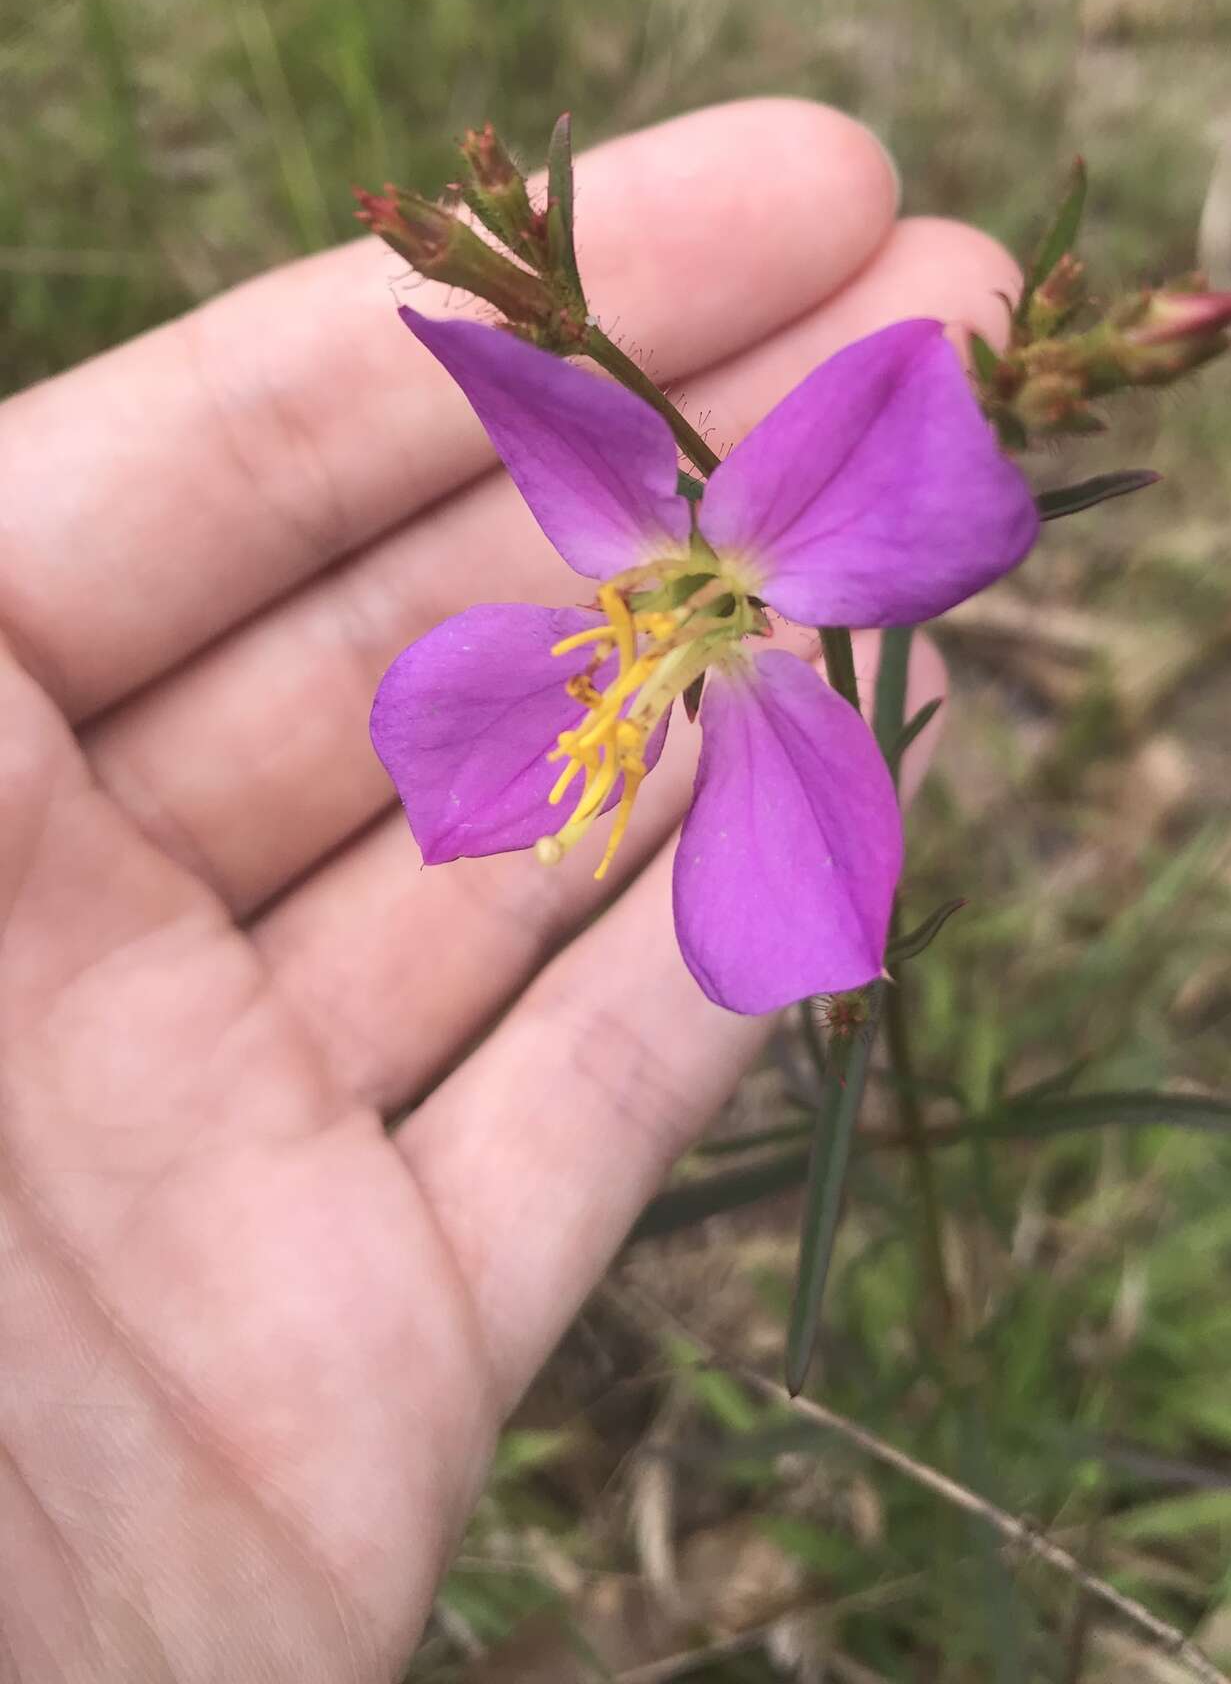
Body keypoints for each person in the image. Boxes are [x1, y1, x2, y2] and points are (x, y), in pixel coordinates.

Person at [0, 98, 1017, 1681]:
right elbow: (544, 427)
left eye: (691, 611)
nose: (653, 646)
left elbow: (881, 436)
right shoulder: (627, 575)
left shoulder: (782, 570)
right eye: (669, 606)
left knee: (816, 929)